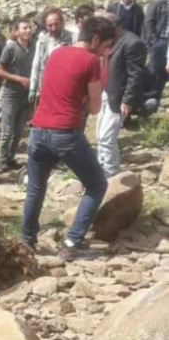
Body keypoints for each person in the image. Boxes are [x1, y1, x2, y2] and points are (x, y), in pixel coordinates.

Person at [21, 16, 115, 261]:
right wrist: (86, 100)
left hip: (38, 128)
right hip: (65, 132)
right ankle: (72, 242)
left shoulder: (57, 52)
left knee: (35, 186)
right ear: (95, 39)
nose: (106, 51)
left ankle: (27, 239)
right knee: (97, 184)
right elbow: (95, 107)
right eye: (105, 45)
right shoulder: (92, 60)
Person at [97, 14, 147, 177]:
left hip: (119, 99)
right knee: (99, 135)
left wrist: (128, 100)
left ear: (114, 27)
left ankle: (111, 173)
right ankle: (100, 169)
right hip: (106, 93)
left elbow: (135, 76)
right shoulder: (110, 42)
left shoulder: (133, 43)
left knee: (106, 137)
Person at [0, 18, 34, 172]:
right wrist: (18, 79)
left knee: (19, 131)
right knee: (7, 131)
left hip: (27, 96)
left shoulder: (34, 48)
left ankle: (11, 158)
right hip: (11, 94)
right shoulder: (10, 48)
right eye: (24, 28)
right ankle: (1, 161)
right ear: (16, 32)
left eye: (29, 28)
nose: (28, 31)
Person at [29, 7, 73, 105]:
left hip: (65, 86)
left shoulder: (71, 38)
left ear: (61, 22)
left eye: (56, 24)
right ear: (45, 25)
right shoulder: (42, 41)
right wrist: (33, 87)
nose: (53, 28)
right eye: (50, 25)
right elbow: (36, 64)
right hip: (46, 86)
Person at [145, 0, 169, 101]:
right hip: (160, 41)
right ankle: (150, 100)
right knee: (154, 71)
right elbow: (148, 22)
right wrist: (153, 41)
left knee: (166, 74)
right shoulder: (157, 3)